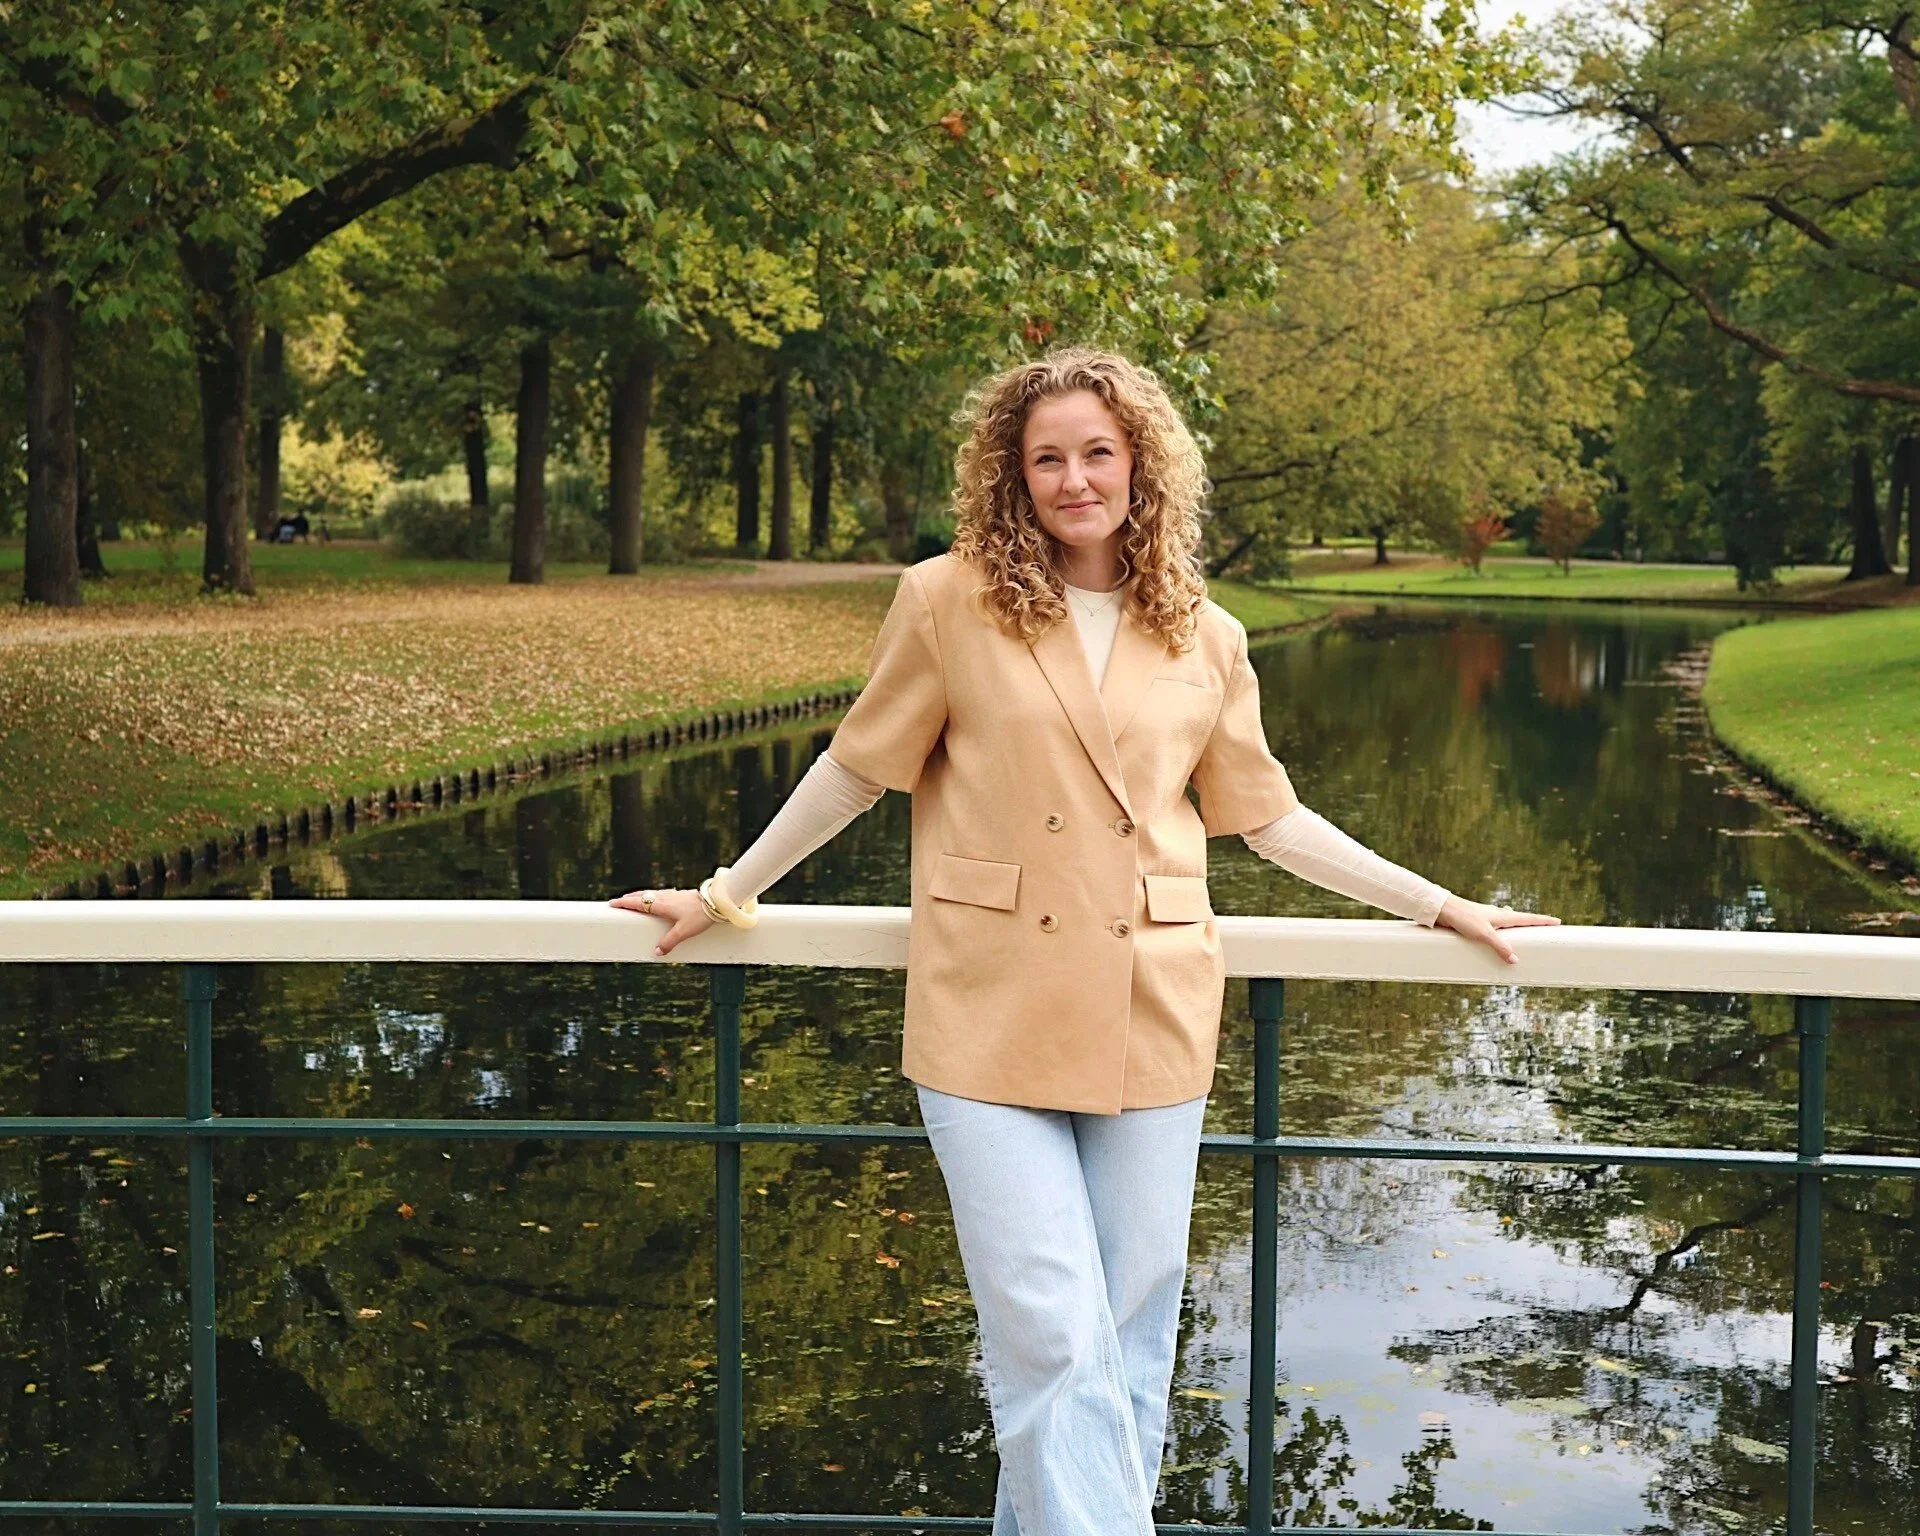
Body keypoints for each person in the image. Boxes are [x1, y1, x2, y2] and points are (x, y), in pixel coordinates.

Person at [611, 347, 1559, 1533]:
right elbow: (858, 771)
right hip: (985, 1006)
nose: (1074, 479)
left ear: (1141, 467)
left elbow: (1268, 821)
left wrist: (1440, 903)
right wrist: (726, 893)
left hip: (1151, 1004)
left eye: (1097, 453)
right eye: (1047, 456)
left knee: (1127, 1340)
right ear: (1012, 474)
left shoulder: (1205, 634)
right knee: (1052, 1334)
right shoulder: (947, 597)